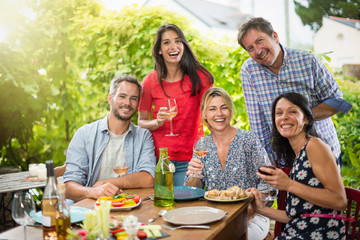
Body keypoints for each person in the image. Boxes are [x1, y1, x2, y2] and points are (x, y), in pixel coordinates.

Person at [237, 17, 352, 166]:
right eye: (250, 48)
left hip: (324, 154)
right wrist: (267, 164)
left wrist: (301, 117)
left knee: (330, 190)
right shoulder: (249, 70)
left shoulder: (308, 61)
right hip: (285, 161)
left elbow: (337, 101)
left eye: (260, 40)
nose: (258, 51)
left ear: (275, 37)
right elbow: (258, 125)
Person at [248, 92, 347, 239]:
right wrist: (260, 208)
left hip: (320, 234)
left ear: (306, 118)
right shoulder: (297, 154)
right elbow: (295, 217)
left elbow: (339, 200)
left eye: (292, 111)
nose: (284, 117)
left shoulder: (315, 146)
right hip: (299, 232)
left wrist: (288, 184)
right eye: (279, 113)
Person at [185, 87, 270, 240]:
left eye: (224, 107)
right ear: (205, 114)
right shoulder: (202, 145)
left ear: (230, 111)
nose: (219, 114)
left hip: (252, 215)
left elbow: (268, 182)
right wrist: (195, 174)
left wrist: (252, 209)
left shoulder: (248, 140)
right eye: (212, 109)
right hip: (214, 216)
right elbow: (193, 190)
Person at [138, 23, 214, 186]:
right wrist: (157, 123)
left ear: (183, 45)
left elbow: (213, 115)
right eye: (166, 42)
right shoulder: (150, 82)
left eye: (178, 41)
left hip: (192, 159)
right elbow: (141, 122)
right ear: (159, 50)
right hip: (160, 160)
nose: (173, 46)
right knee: (163, 206)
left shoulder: (200, 78)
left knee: (189, 207)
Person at [64, 75, 156, 202]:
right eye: (122, 96)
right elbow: (69, 187)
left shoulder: (143, 136)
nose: (127, 103)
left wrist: (105, 182)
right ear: (110, 98)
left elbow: (148, 179)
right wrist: (93, 191)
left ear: (138, 104)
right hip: (93, 205)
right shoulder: (84, 134)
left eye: (133, 99)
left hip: (128, 205)